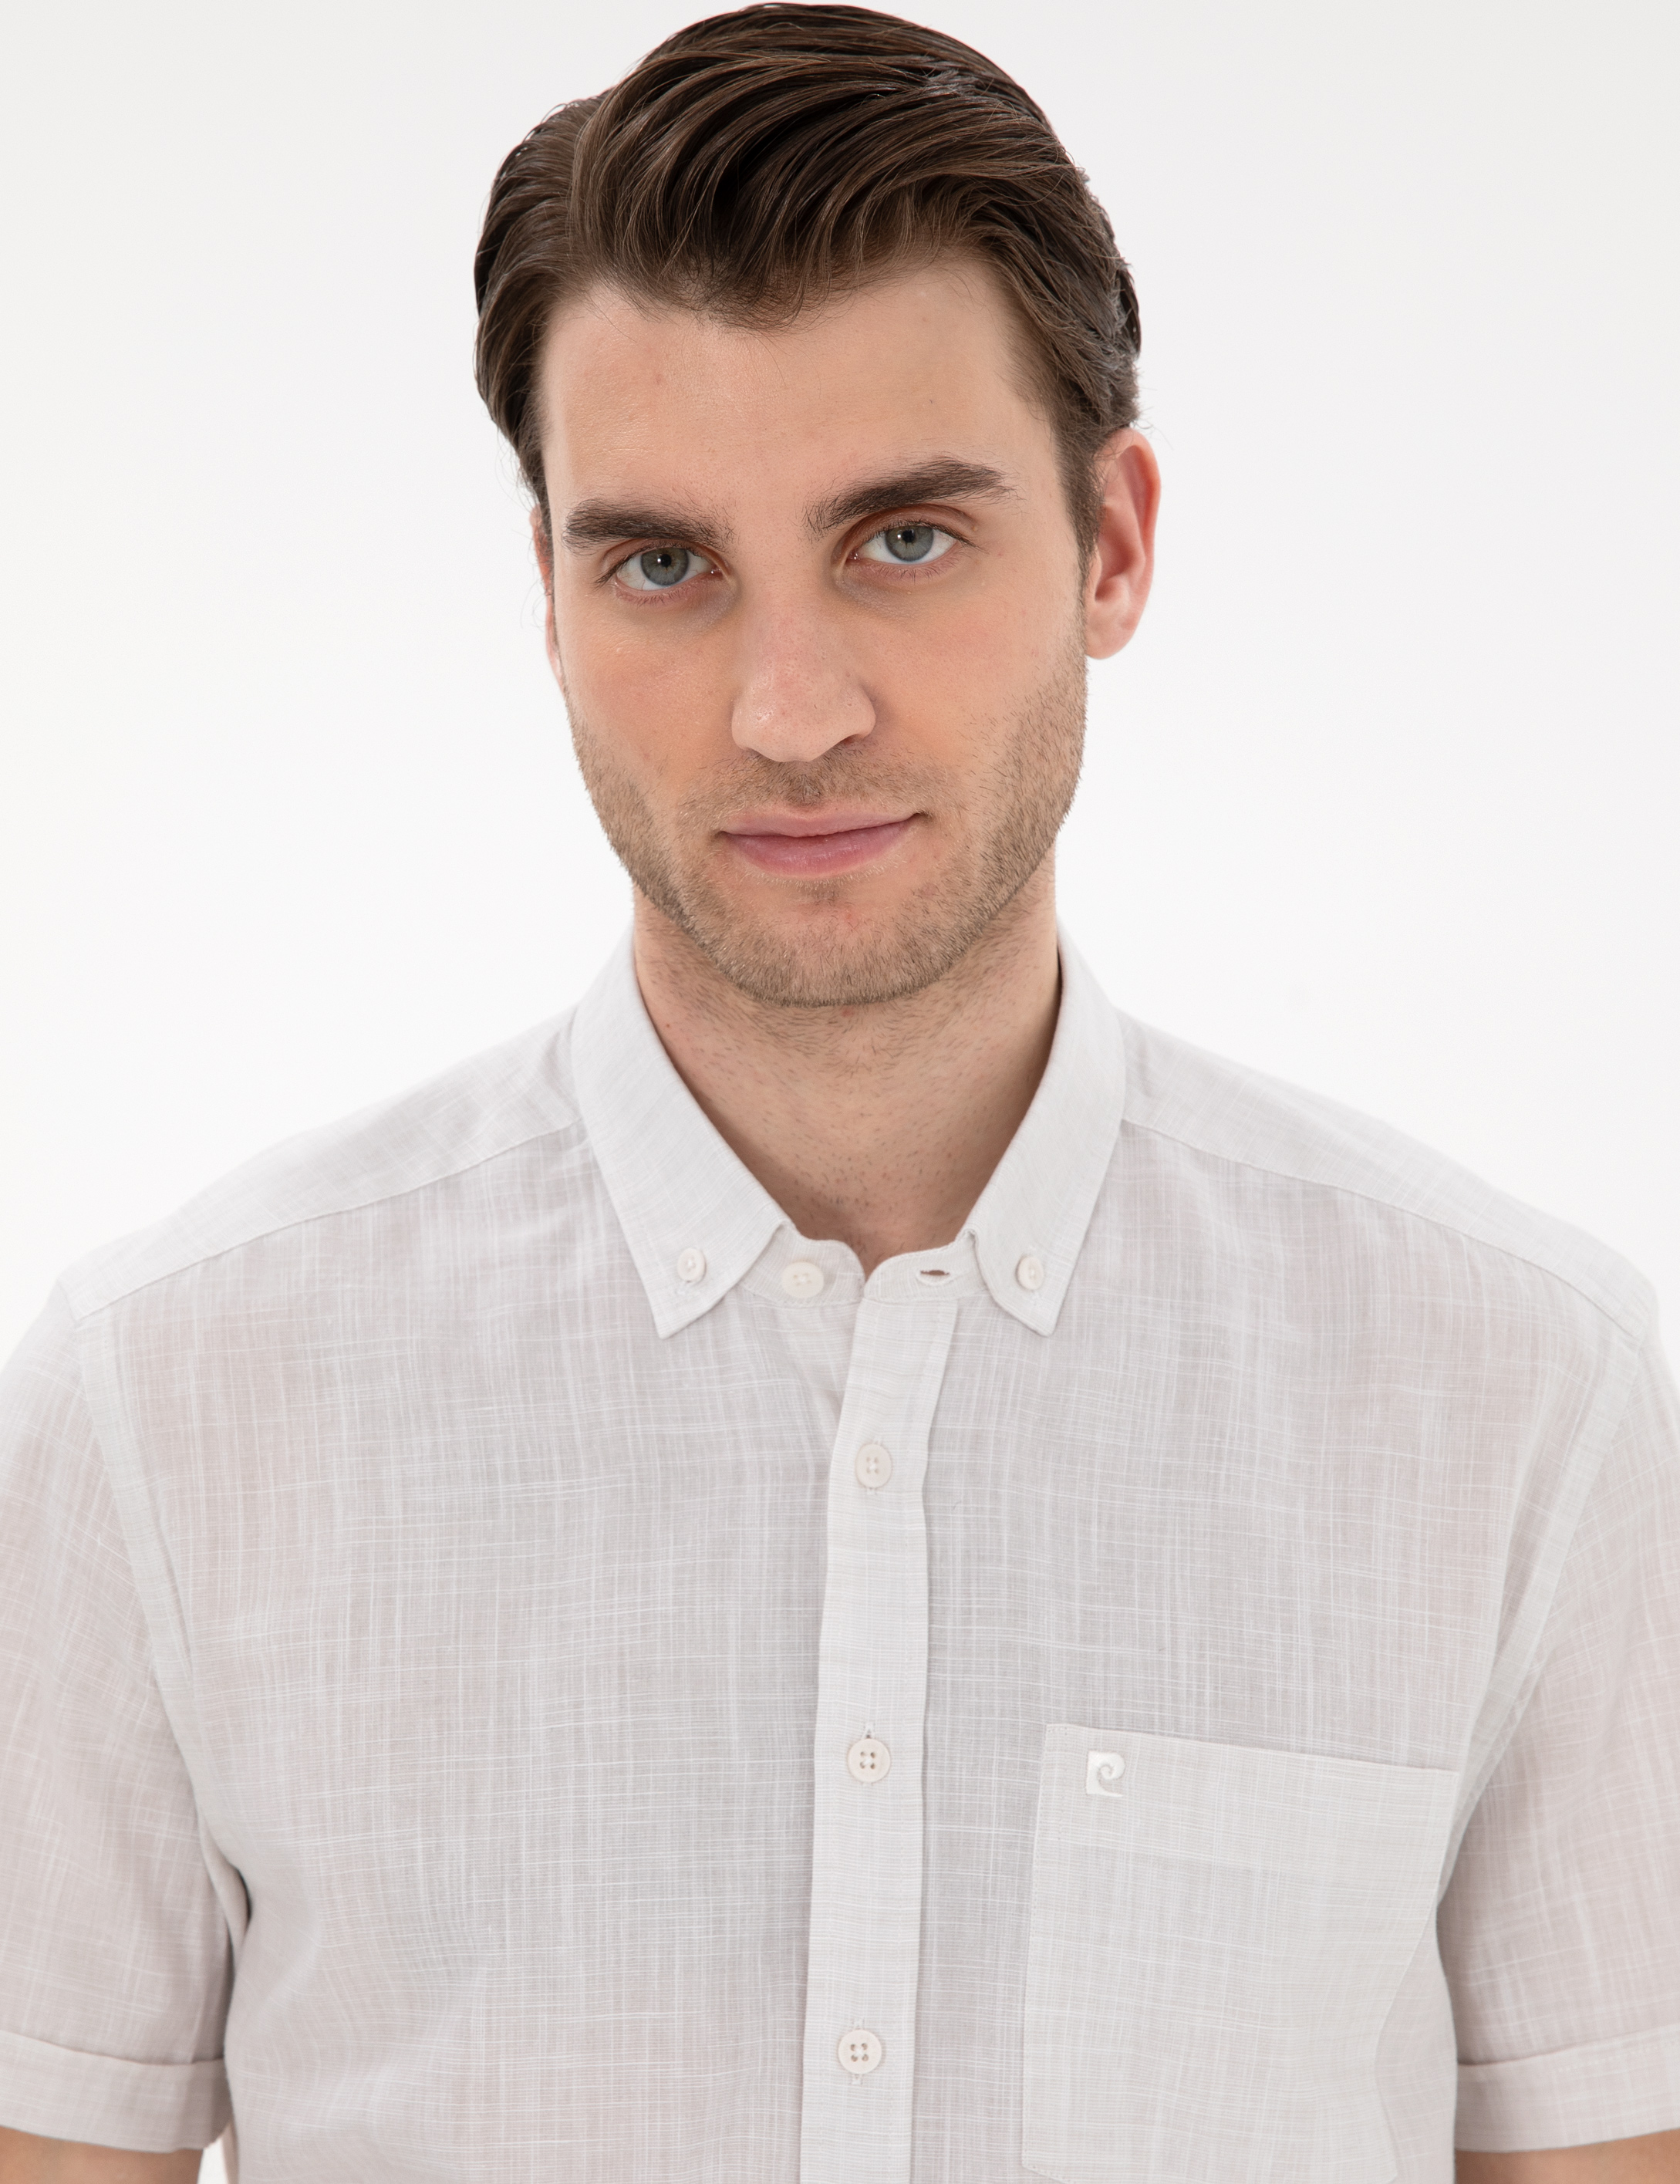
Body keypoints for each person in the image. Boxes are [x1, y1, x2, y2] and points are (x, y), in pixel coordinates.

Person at [2, 5, 1677, 2179]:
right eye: (664, 563)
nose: (789, 715)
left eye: (901, 540)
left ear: (1112, 545)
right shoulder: (164, 1414)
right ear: (548, 596)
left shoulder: (1515, 1400)